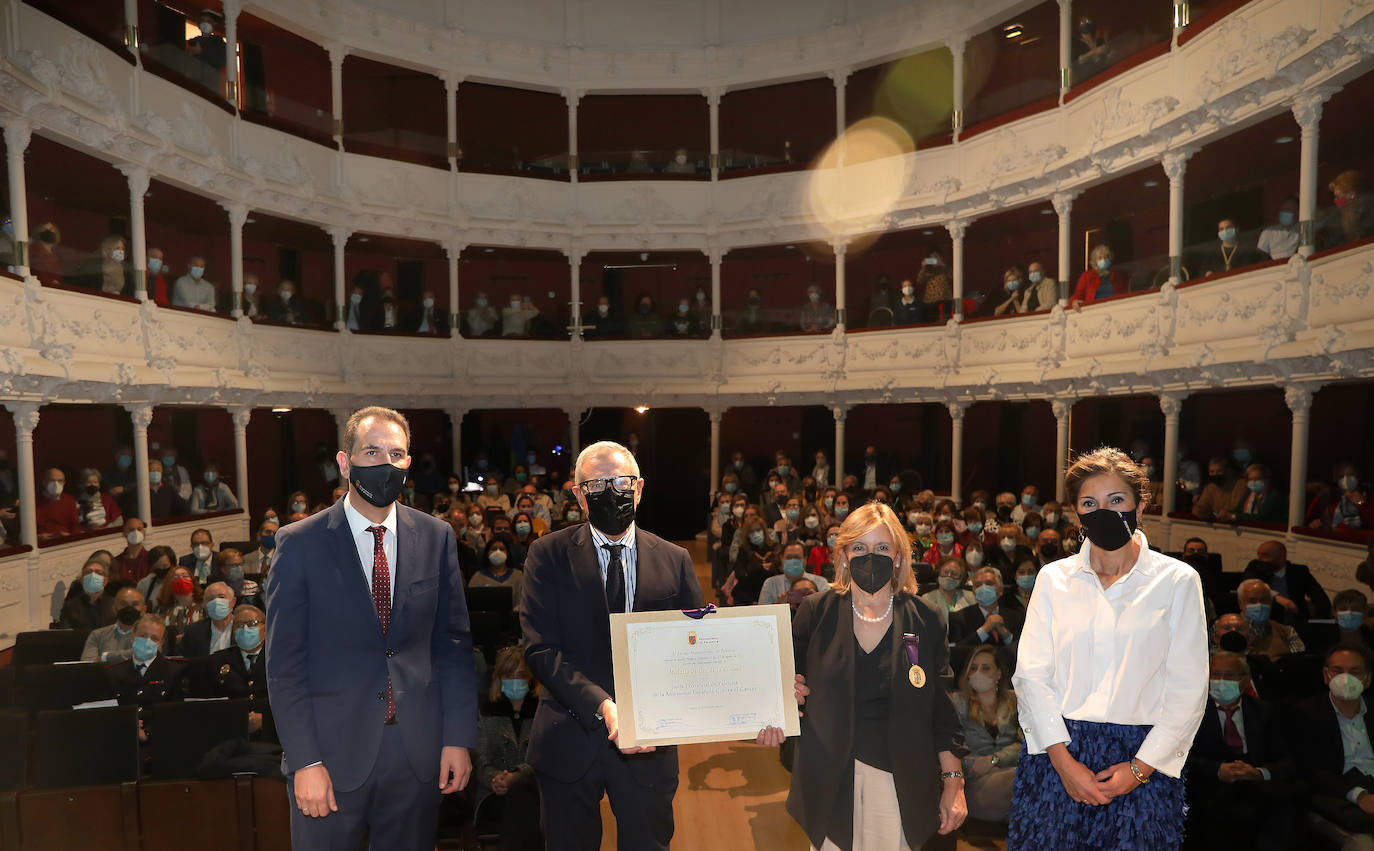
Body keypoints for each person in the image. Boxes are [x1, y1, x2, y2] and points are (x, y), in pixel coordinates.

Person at [266, 406, 477, 849]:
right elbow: (285, 665)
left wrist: (457, 738)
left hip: (417, 754)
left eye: (396, 453)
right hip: (328, 756)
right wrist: (305, 760)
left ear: (407, 463)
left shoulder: (436, 536)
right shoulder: (299, 543)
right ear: (346, 463)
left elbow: (453, 646)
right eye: (372, 451)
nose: (385, 463)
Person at [1008, 447, 1208, 850]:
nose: (1103, 511)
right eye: (1089, 503)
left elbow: (1189, 689)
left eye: (1116, 500)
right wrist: (1064, 765)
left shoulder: (1178, 581)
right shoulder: (1053, 579)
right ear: (1076, 513)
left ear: (1140, 505)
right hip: (1058, 751)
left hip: (1143, 760)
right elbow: (1031, 677)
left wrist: (1138, 770)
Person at [519, 440, 703, 850]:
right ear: (579, 497)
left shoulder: (675, 559)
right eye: (597, 484)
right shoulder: (546, 555)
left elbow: (696, 647)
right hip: (568, 735)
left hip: (650, 745)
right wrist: (603, 706)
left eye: (620, 481)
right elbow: (540, 649)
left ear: (638, 489)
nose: (611, 492)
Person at [768, 501, 968, 849]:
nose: (869, 556)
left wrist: (954, 782)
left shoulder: (927, 618)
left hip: (902, 782)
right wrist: (785, 698)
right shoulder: (816, 613)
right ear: (843, 555)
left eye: (881, 548)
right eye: (859, 547)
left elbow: (942, 710)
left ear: (899, 557)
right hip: (831, 783)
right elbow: (785, 689)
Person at [1183, 650, 1297, 851]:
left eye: (1229, 675)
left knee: (1283, 803)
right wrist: (1218, 770)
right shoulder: (1191, 712)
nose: (1220, 681)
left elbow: (1287, 760)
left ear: (1245, 681)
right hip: (1210, 785)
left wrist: (1259, 773)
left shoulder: (1265, 712)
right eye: (1215, 675)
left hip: (1255, 785)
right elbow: (1183, 758)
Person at [1293, 643, 1374, 838]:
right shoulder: (1305, 713)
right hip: (1338, 795)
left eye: (1354, 671)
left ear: (1367, 678)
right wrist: (1359, 796)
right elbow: (1312, 770)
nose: (1345, 678)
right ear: (1326, 675)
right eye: (1338, 671)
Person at [475, 646, 543, 851]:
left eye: (520, 674)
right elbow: (481, 762)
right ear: (499, 678)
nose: (514, 679)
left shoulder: (542, 711)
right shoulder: (487, 711)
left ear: (530, 678)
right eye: (508, 674)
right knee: (520, 804)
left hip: (534, 790)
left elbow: (542, 759)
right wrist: (497, 779)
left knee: (522, 797)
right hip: (492, 794)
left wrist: (516, 776)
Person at [952, 646, 1023, 822]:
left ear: (998, 674)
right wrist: (972, 765)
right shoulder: (957, 703)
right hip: (976, 785)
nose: (978, 673)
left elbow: (1027, 744)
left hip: (1012, 773)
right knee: (1021, 779)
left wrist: (995, 759)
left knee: (1026, 777)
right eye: (973, 668)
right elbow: (950, 750)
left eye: (986, 668)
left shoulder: (1014, 700)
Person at [197, 604, 275, 743]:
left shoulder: (279, 659)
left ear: (265, 627)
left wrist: (266, 720)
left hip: (272, 740)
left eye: (252, 624)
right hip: (229, 740)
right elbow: (207, 705)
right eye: (239, 625)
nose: (245, 629)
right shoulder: (216, 661)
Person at [1243, 539, 1332, 621]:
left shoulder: (1299, 571)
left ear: (1281, 557)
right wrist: (1276, 597)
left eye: (1265, 556)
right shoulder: (1255, 567)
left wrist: (1320, 620)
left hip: (1296, 622)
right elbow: (1251, 585)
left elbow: (1320, 598)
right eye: (1259, 555)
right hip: (1269, 621)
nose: (1260, 559)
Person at [950, 567, 1023, 648]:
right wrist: (984, 630)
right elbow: (956, 650)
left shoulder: (1016, 616)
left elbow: (1023, 649)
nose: (983, 587)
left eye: (989, 583)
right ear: (974, 593)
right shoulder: (958, 618)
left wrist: (1005, 634)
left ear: (1000, 590)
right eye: (978, 585)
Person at [81, 586, 146, 662]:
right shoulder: (97, 635)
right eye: (123, 604)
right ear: (114, 608)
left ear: (144, 610)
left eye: (135, 604)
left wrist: (105, 657)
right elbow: (88, 665)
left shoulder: (149, 636)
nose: (129, 608)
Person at [176, 581, 236, 658]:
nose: (216, 601)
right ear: (204, 605)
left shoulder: (244, 628)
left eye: (221, 597)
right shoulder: (193, 632)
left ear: (233, 602)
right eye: (211, 598)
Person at [59, 556, 115, 630]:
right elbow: (66, 635)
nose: (93, 576)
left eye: (98, 573)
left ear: (106, 580)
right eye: (88, 572)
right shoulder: (70, 607)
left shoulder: (115, 604)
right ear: (82, 579)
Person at [1218, 463, 1285, 524]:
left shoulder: (1274, 495)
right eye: (1250, 479)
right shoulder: (1248, 494)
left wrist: (1233, 516)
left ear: (1266, 479)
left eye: (1257, 479)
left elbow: (1260, 518)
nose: (1253, 482)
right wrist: (1226, 513)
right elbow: (1238, 511)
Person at [1195, 218, 1263, 277]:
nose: (1225, 231)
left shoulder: (1247, 252)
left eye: (1228, 228)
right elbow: (1202, 273)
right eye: (1221, 229)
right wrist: (1207, 274)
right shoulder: (1212, 256)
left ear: (1236, 229)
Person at [1192, 456, 1248, 521]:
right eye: (1212, 472)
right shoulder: (1210, 487)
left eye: (1219, 471)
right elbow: (1201, 508)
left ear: (1228, 471)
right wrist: (1198, 507)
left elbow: (1236, 508)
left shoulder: (1240, 484)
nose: (1215, 474)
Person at [35, 467, 79, 539]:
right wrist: (37, 537)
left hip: (65, 542)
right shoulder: (33, 502)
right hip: (42, 545)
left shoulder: (70, 500)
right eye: (52, 480)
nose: (56, 484)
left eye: (60, 481)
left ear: (64, 483)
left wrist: (70, 536)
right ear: (44, 482)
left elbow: (76, 526)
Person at [1257, 196, 1300, 260]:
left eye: (1288, 209)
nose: (1284, 212)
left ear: (1297, 212)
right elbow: (1260, 257)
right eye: (1283, 209)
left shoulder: (1302, 229)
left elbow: (1319, 219)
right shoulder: (1268, 232)